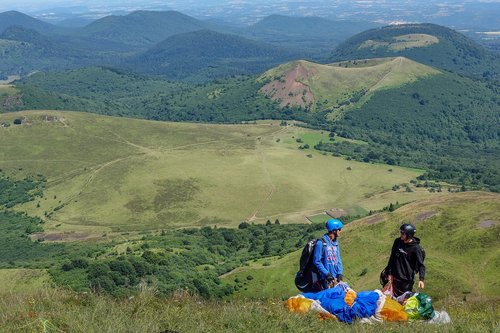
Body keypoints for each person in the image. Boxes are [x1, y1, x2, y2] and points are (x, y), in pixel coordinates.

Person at [384, 223, 425, 297]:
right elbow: (392, 257)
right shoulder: (397, 242)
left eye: (403, 233)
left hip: (406, 280)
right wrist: (389, 273)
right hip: (395, 277)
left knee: (404, 300)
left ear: (409, 235)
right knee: (392, 298)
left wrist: (421, 279)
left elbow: (420, 264)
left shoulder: (416, 248)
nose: (401, 235)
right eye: (401, 232)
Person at [313, 218, 344, 289]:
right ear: (334, 230)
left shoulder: (335, 243)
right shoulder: (321, 243)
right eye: (339, 229)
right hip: (326, 280)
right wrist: (326, 274)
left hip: (336, 278)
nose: (340, 231)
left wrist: (339, 273)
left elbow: (338, 258)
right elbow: (317, 261)